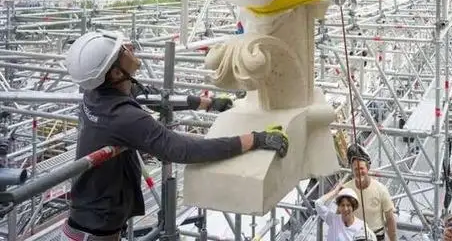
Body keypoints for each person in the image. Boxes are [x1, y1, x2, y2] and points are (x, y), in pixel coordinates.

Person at [63, 30, 289, 241]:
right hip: (97, 228)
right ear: (115, 72)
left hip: (89, 213)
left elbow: (147, 95)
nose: (130, 48)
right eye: (123, 50)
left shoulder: (97, 93)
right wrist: (255, 139)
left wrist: (209, 104)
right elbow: (184, 150)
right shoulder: (124, 117)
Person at [342, 144, 397, 241]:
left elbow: (390, 219)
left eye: (361, 168)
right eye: (355, 169)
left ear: (367, 169)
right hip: (354, 235)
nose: (359, 172)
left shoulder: (380, 190)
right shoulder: (346, 190)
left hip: (376, 236)